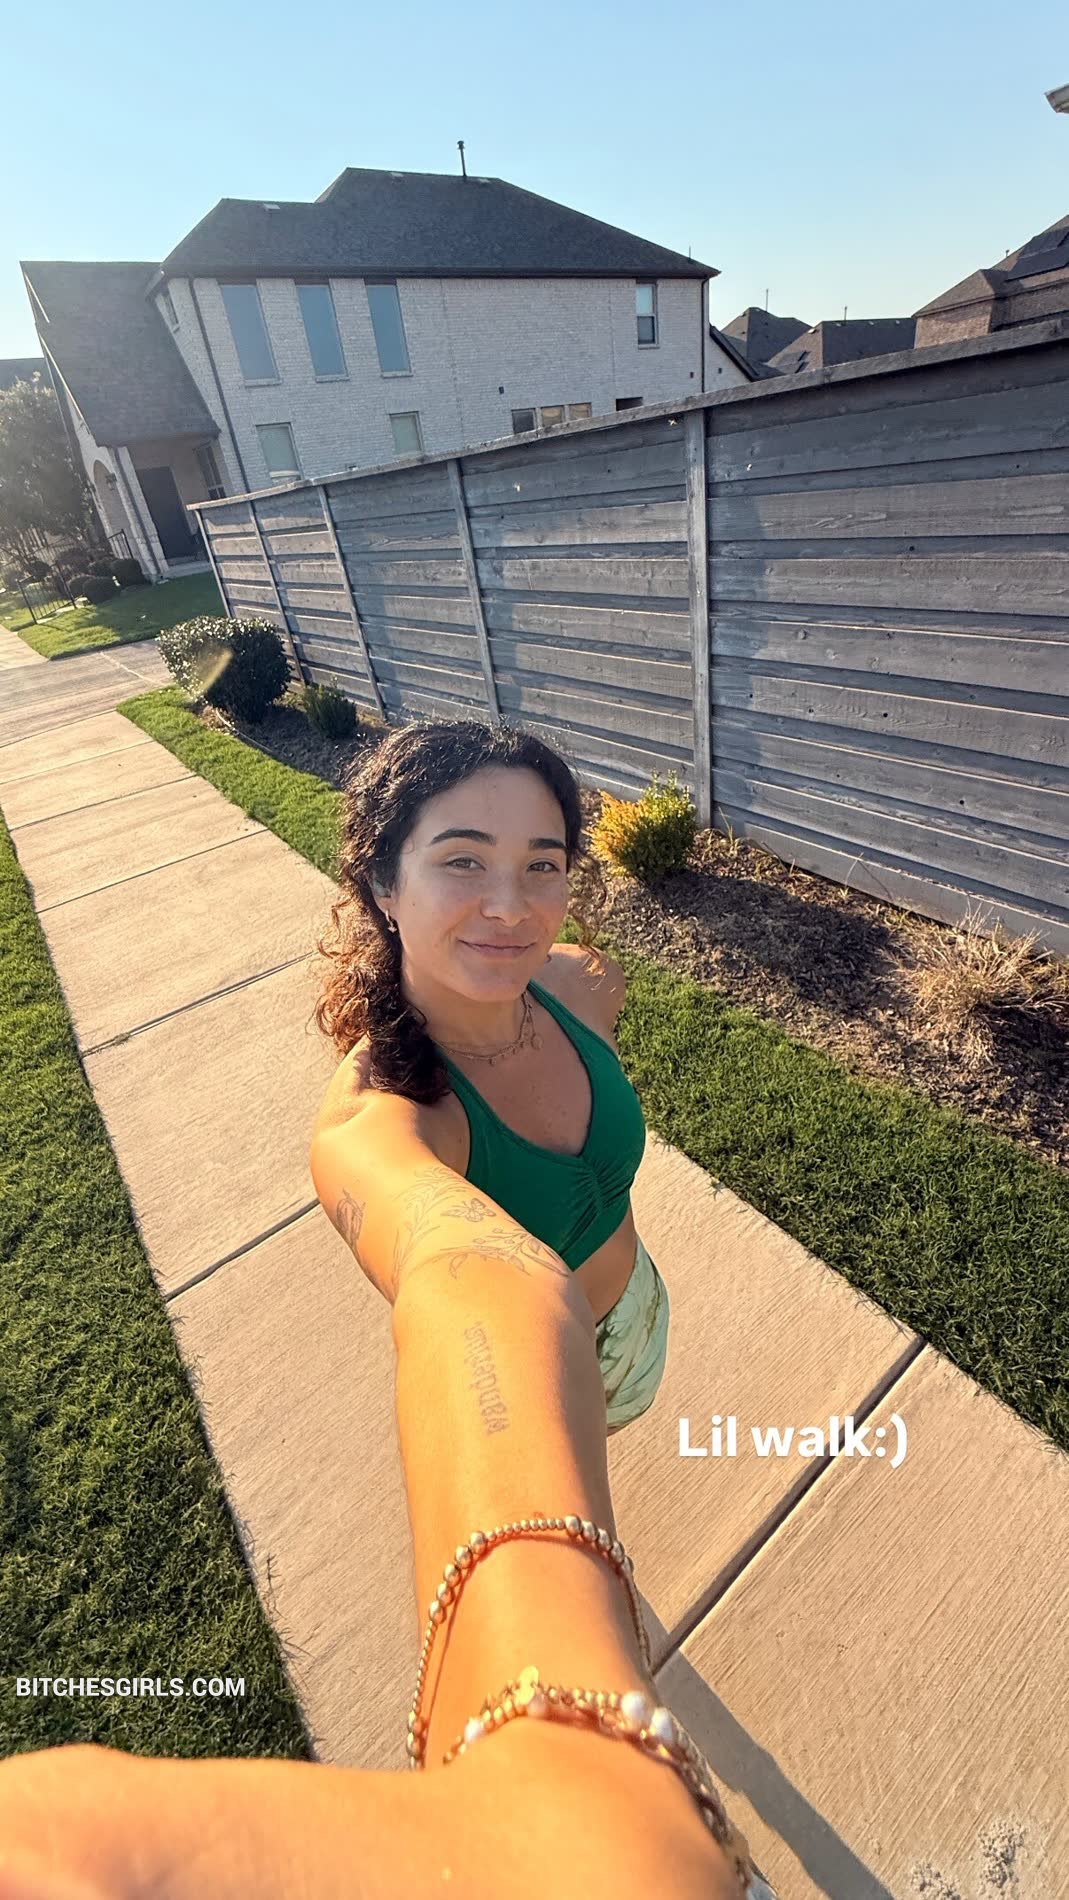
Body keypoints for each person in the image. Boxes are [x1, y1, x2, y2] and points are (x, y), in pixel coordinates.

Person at [0, 718, 776, 1899]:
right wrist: (545, 1706)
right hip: (556, 1370)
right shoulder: (379, 1118)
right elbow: (463, 1269)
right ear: (380, 880)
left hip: (637, 1309)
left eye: (543, 863)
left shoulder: (576, 984)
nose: (510, 905)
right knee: (592, 1477)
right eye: (462, 859)